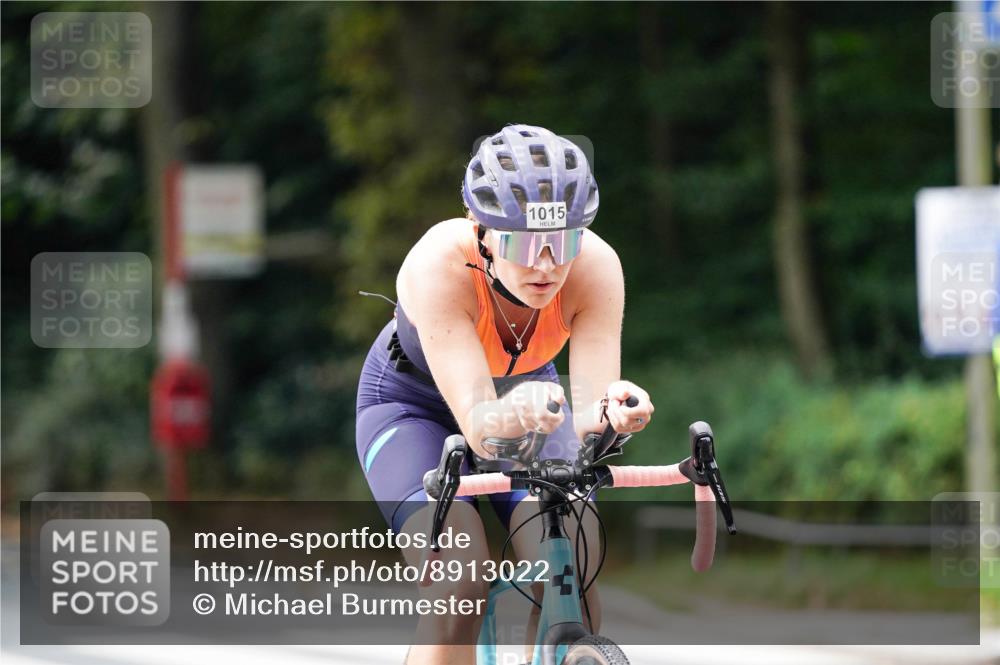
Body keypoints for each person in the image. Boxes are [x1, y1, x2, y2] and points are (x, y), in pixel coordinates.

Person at [355, 124, 654, 665]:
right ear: (482, 231)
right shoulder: (439, 264)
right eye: (524, 242)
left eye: (563, 241)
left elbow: (590, 412)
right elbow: (480, 424)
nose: (546, 265)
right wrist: (513, 411)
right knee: (459, 584)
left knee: (573, 566)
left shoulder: (596, 267)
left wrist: (615, 413)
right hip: (413, 407)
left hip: (532, 400)